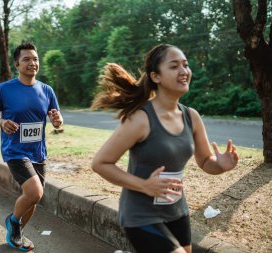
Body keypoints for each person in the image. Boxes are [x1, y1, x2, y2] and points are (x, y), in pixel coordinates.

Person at [91, 44, 239, 253]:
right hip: (141, 214)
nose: (184, 71)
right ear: (156, 76)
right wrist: (145, 186)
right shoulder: (141, 119)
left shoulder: (191, 116)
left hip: (176, 210)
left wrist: (221, 165)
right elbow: (100, 163)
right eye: (174, 66)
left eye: (186, 65)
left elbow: (206, 162)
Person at [0, 42, 63, 251]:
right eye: (27, 59)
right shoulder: (4, 89)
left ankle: (17, 234)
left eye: (35, 59)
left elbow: (57, 119)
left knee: (33, 199)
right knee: (35, 192)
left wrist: (57, 121)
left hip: (38, 152)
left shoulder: (46, 90)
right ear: (17, 64)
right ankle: (13, 221)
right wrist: (2, 122)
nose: (32, 63)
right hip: (15, 150)